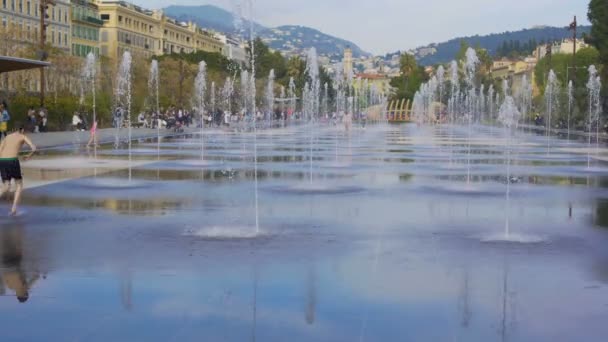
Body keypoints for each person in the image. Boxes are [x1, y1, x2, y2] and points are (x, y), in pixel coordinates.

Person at [0, 126, 36, 216]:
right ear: (22, 130)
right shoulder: (22, 136)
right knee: (19, 184)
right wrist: (28, 156)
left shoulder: (7, 137)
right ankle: (13, 209)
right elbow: (34, 148)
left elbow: (0, 149)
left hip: (2, 161)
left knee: (6, 186)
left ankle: (13, 209)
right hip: (12, 161)